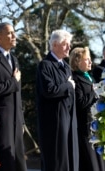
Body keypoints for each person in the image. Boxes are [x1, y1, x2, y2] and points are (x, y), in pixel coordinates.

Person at [0, 22, 27, 171]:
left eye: (14, 32)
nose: (14, 36)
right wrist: (13, 81)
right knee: (5, 164)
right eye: (9, 33)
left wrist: (21, 121)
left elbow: (17, 94)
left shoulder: (14, 59)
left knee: (20, 163)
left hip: (16, 122)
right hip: (2, 122)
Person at [36, 29, 79, 171]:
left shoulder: (66, 67)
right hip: (54, 122)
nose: (69, 47)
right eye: (66, 44)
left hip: (68, 119)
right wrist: (68, 85)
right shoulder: (45, 65)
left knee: (68, 159)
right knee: (56, 161)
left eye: (69, 44)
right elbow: (50, 90)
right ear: (55, 45)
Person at [69, 47, 105, 171]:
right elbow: (80, 103)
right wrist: (93, 91)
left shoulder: (89, 77)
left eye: (90, 59)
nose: (90, 62)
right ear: (77, 62)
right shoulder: (75, 79)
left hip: (96, 126)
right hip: (85, 129)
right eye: (87, 60)